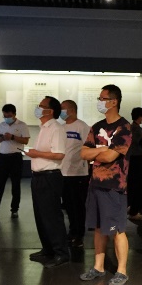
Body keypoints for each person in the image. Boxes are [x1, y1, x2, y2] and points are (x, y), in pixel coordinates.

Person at [79, 85, 133, 285]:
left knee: (118, 229)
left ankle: (122, 271)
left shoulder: (124, 127)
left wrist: (98, 151)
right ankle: (98, 267)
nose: (99, 101)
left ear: (114, 101)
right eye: (99, 98)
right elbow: (83, 153)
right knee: (99, 228)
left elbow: (111, 156)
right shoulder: (96, 126)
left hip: (114, 186)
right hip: (95, 183)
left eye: (103, 98)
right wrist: (101, 150)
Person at [24, 96, 69, 268]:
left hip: (49, 177)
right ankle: (48, 249)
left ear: (50, 111)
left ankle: (61, 253)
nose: (38, 108)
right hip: (39, 177)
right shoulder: (43, 127)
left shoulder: (56, 128)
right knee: (41, 215)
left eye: (41, 106)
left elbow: (59, 154)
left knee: (52, 216)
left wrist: (36, 154)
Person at [59, 100, 92, 247]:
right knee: (68, 205)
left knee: (78, 205)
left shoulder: (82, 127)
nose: (61, 111)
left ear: (71, 110)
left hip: (78, 173)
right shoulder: (61, 128)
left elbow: (88, 148)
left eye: (63, 109)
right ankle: (72, 231)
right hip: (63, 172)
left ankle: (79, 234)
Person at [127, 107, 142, 217]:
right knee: (139, 186)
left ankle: (132, 208)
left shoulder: (131, 128)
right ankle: (135, 210)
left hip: (132, 160)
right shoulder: (137, 130)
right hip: (138, 161)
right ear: (141, 117)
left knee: (132, 185)